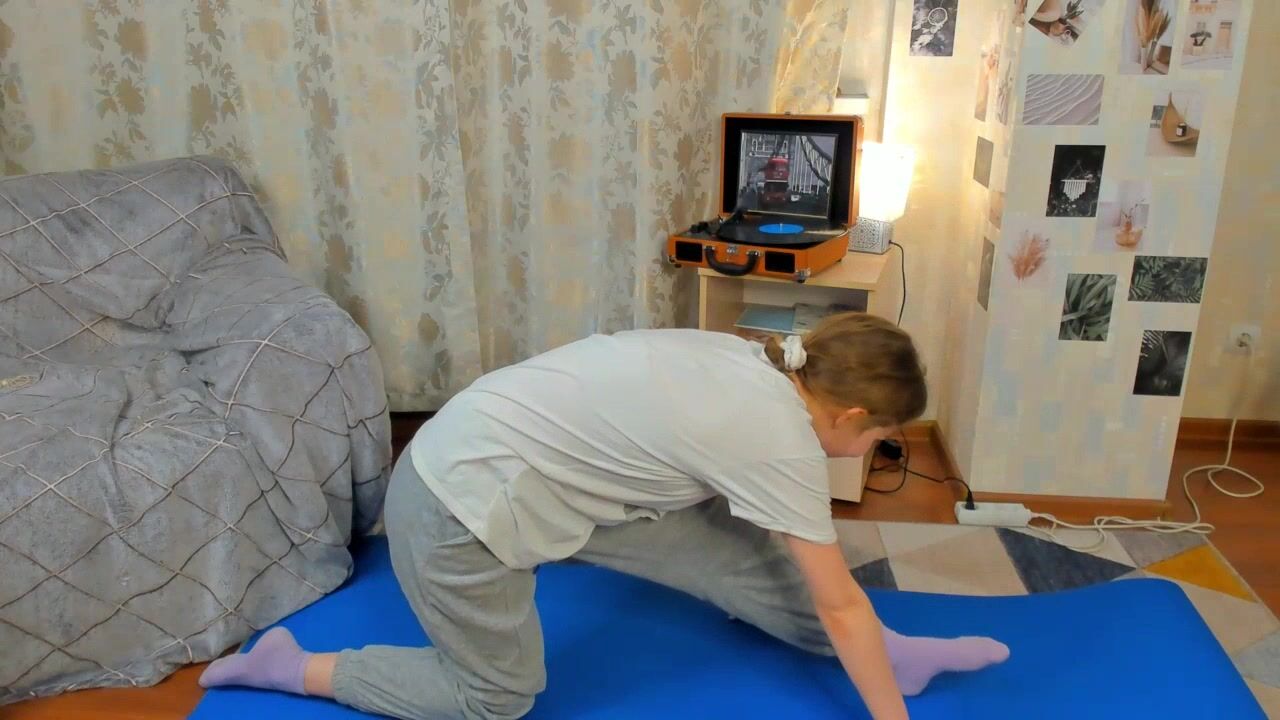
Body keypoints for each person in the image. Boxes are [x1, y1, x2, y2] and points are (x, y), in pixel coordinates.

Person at [199, 313, 1009, 720]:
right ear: (852, 414)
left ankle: (895, 656)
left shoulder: (758, 360)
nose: (872, 450)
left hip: (519, 466)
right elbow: (839, 601)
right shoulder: (777, 438)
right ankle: (293, 667)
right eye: (878, 438)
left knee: (736, 553)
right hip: (455, 507)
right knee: (498, 698)